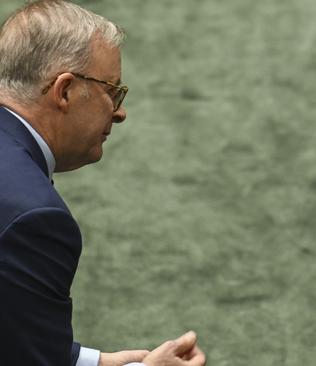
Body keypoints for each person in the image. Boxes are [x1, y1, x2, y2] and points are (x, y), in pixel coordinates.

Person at [0, 1, 206, 365]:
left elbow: (13, 335)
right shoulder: (33, 217)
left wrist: (95, 362)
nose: (120, 112)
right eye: (112, 91)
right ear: (64, 91)